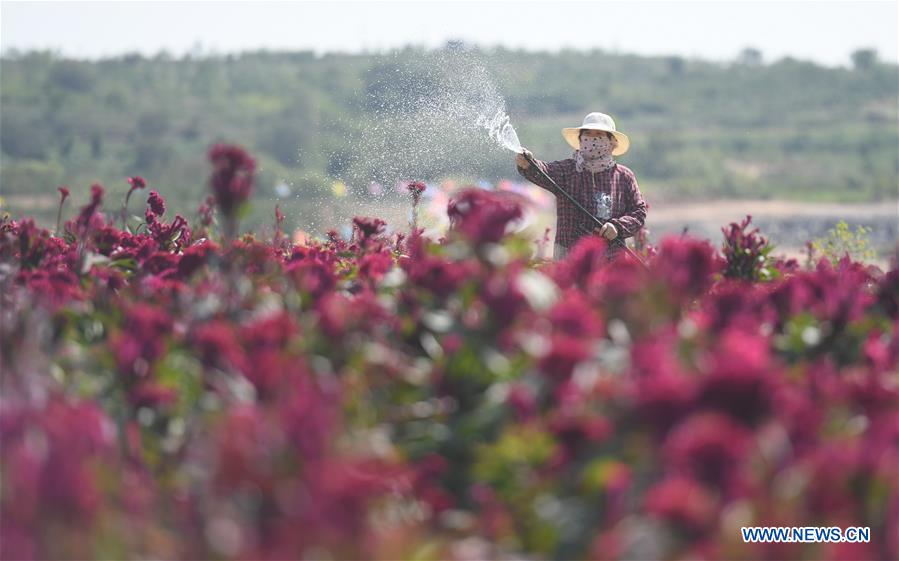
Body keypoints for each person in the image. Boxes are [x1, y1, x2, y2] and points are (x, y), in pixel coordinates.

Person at [516, 112, 647, 260]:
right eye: (588, 134)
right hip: (569, 259)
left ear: (612, 142)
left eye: (599, 134)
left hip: (611, 261)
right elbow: (542, 171)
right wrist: (528, 164)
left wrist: (617, 227)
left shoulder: (624, 176)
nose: (592, 139)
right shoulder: (566, 170)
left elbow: (639, 212)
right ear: (580, 140)